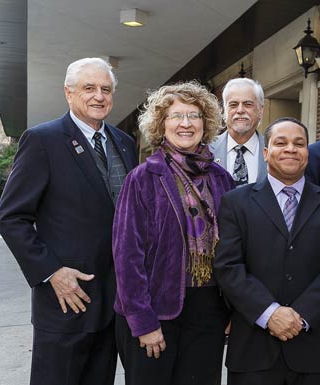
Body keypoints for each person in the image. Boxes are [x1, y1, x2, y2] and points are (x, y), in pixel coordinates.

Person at [0, 57, 138, 385]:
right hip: (67, 300)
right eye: (89, 88)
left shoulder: (125, 144)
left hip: (115, 302)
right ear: (68, 93)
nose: (99, 96)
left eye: (106, 89)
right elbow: (10, 217)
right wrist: (51, 272)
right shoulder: (42, 140)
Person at [213, 117, 320, 385]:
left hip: (311, 350)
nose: (290, 148)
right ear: (266, 153)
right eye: (281, 142)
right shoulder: (235, 202)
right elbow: (228, 267)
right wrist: (269, 314)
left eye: (299, 144)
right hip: (253, 350)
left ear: (307, 154)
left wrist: (299, 317)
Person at [112, 81, 235, 385]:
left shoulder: (222, 179)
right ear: (161, 124)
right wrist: (143, 323)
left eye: (193, 115)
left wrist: (234, 309)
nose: (186, 123)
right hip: (156, 310)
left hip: (209, 310)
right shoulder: (142, 178)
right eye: (176, 116)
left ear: (205, 124)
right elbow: (127, 254)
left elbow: (235, 248)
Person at [210, 77, 267, 186]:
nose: (240, 110)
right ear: (223, 112)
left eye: (248, 104)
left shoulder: (274, 150)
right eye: (233, 105)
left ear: (260, 111)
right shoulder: (206, 151)